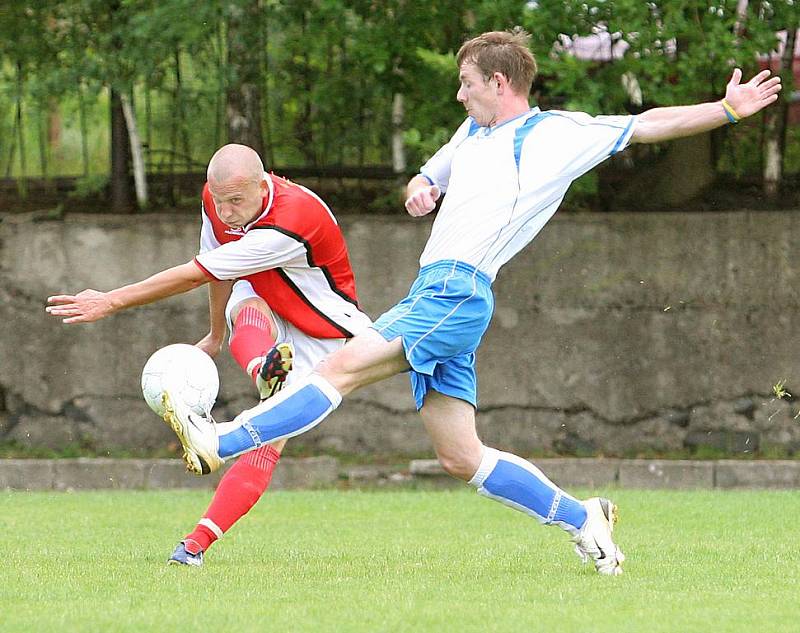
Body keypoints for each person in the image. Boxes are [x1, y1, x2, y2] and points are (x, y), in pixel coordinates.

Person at [55, 29, 782, 576]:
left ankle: (222, 439)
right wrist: (424, 186)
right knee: (460, 455)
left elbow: (649, 122)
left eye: (467, 84)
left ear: (499, 82)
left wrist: (726, 108)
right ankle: (581, 515)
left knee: (339, 370)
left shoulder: (555, 134)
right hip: (442, 294)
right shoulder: (477, 129)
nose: (459, 94)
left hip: (456, 291)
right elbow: (446, 157)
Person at [46, 143, 372, 567]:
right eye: (220, 201)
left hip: (324, 328)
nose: (227, 211)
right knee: (246, 303)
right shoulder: (217, 202)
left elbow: (193, 274)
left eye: (237, 200)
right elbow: (220, 266)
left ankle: (200, 535)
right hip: (265, 291)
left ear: (263, 184)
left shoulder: (292, 219)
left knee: (267, 441)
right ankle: (262, 371)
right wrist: (216, 335)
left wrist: (110, 301)